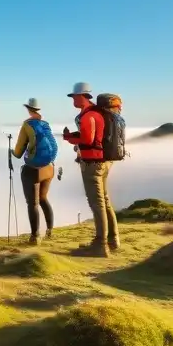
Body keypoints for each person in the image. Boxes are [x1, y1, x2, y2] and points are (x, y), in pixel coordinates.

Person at [61, 82, 119, 257]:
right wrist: (73, 136)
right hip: (104, 162)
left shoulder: (88, 116)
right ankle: (113, 240)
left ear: (81, 96)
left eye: (74, 97)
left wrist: (70, 139)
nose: (73, 100)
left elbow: (88, 140)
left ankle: (101, 245)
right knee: (105, 200)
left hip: (92, 164)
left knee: (97, 202)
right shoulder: (97, 113)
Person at [12, 97, 57, 245]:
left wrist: (11, 151)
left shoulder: (27, 125)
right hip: (49, 168)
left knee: (32, 203)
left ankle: (35, 236)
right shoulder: (46, 124)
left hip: (33, 170)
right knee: (43, 198)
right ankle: (50, 231)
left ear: (28, 109)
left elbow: (19, 152)